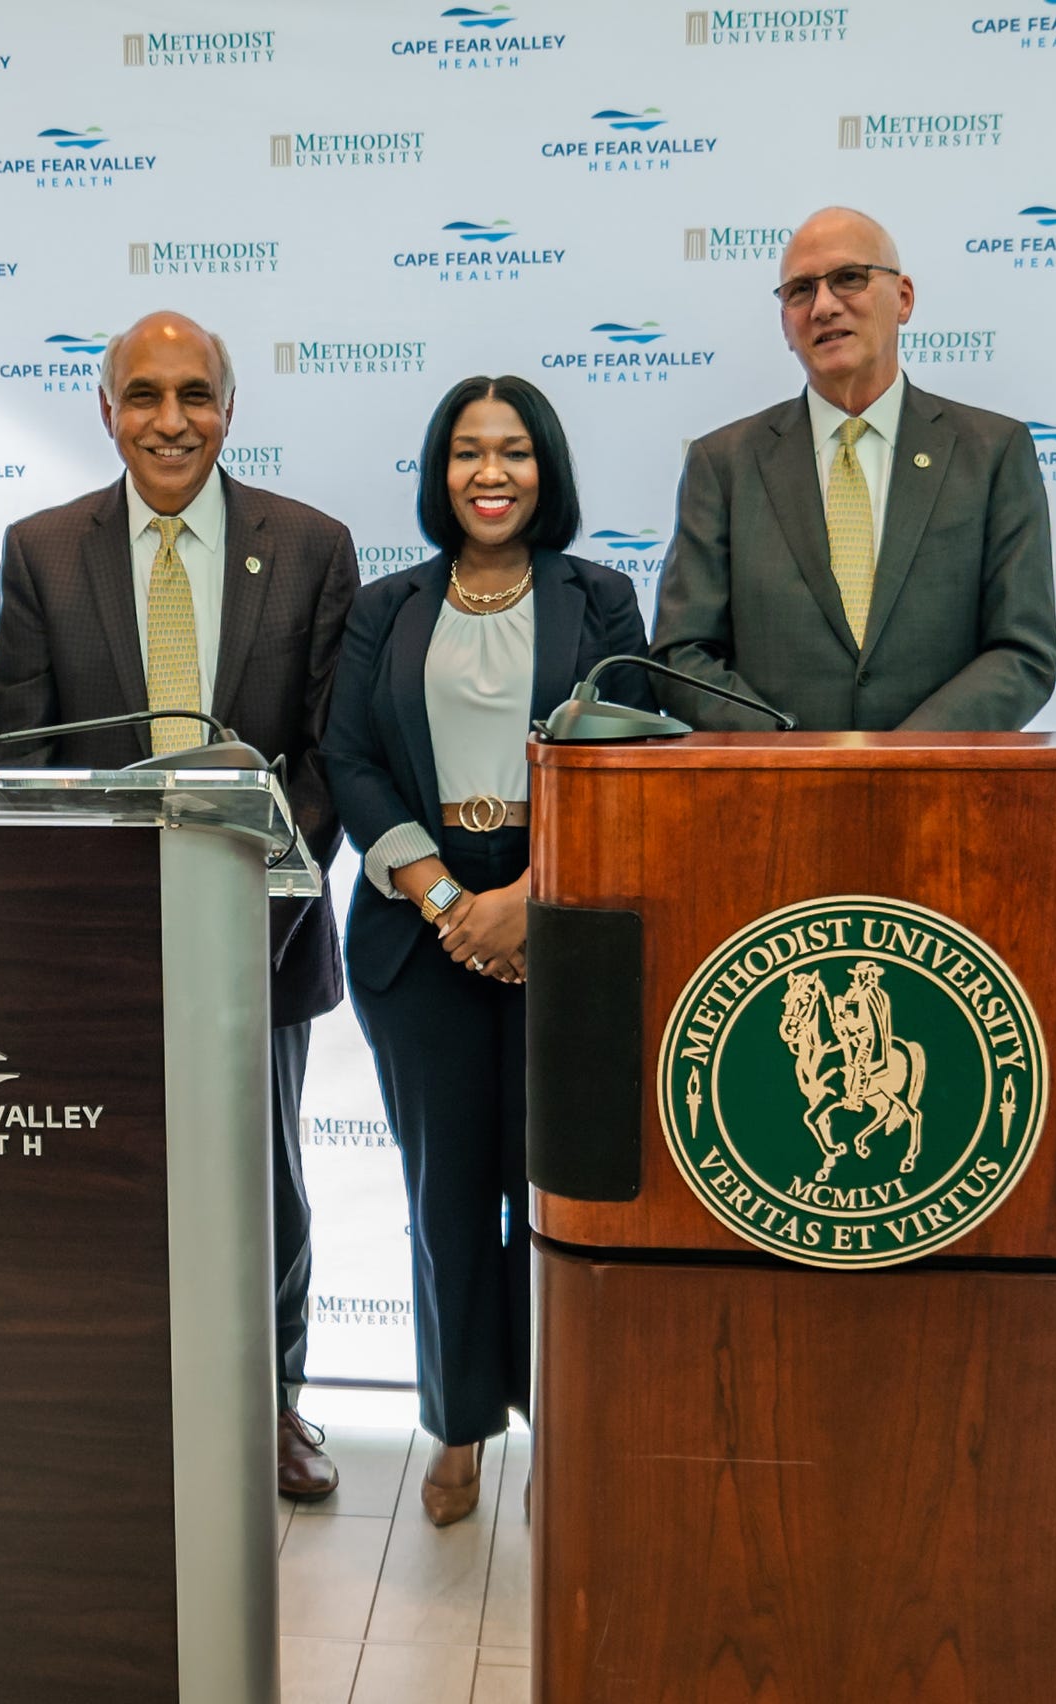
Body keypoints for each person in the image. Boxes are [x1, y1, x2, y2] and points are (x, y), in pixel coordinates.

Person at [0, 310, 358, 1501]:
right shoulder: (42, 550)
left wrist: (246, 882)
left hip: (260, 931)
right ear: (106, 413)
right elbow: (23, 754)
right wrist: (103, 909)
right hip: (95, 946)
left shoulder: (308, 545)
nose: (169, 420)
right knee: (108, 1184)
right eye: (142, 396)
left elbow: (329, 752)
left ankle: (274, 1409)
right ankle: (119, 1406)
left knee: (265, 1186)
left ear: (229, 410)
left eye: (194, 394)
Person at [320, 375, 648, 1525]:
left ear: (545, 468)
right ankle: (456, 1425)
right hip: (421, 937)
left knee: (552, 1198)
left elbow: (622, 764)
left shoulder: (601, 601)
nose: (490, 472)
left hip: (559, 932)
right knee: (444, 1196)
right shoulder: (387, 605)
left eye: (512, 450)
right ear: (437, 471)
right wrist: (451, 898)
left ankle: (557, 1418)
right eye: (467, 452)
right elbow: (350, 757)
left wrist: (526, 899)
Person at [651, 206, 1056, 731]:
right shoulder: (723, 463)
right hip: (770, 799)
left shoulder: (993, 451)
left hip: (942, 798)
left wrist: (901, 761)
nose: (823, 306)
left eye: (849, 279)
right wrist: (795, 759)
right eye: (800, 290)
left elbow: (1022, 651)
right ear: (785, 324)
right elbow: (682, 657)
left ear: (904, 298)